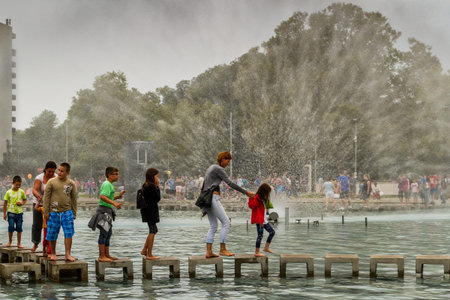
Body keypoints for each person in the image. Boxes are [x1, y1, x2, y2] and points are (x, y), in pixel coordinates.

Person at [202, 151, 255, 258]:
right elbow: (230, 183)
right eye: (227, 161)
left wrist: (204, 204)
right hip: (213, 198)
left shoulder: (211, 167)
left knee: (213, 226)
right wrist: (246, 192)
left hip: (206, 198)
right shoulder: (218, 169)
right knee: (226, 222)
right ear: (222, 159)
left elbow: (204, 185)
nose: (228, 163)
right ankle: (223, 249)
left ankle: (209, 252)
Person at [43, 162, 77, 262]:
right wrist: (46, 212)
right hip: (54, 211)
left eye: (62, 171)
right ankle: (53, 253)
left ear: (67, 172)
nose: (59, 172)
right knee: (52, 232)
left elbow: (73, 199)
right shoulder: (51, 182)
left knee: (69, 232)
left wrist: (74, 212)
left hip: (67, 211)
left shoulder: (71, 183)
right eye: (59, 170)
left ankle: (68, 254)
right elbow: (46, 198)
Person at [94, 167, 125, 262]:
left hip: (107, 210)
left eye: (118, 173)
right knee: (104, 232)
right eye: (116, 174)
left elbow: (108, 197)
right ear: (110, 175)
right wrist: (114, 203)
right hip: (104, 211)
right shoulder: (107, 184)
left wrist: (118, 196)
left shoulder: (109, 184)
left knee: (108, 232)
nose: (118, 175)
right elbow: (102, 196)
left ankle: (106, 254)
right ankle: (101, 256)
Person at [31, 161, 57, 252]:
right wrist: (38, 196)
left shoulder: (56, 177)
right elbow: (34, 189)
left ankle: (48, 246)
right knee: (37, 224)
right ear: (45, 170)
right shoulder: (39, 178)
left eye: (53, 171)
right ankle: (35, 243)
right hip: (39, 203)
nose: (51, 173)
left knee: (50, 226)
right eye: (49, 171)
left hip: (51, 205)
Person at [248, 183, 275, 257]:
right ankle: (257, 252)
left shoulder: (263, 198)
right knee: (260, 236)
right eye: (267, 193)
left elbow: (266, 206)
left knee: (272, 232)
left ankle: (266, 248)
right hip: (260, 220)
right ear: (264, 192)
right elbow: (252, 206)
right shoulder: (257, 198)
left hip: (264, 220)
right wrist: (251, 198)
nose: (268, 194)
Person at [140, 168, 161, 259]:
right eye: (157, 176)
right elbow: (157, 198)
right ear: (152, 176)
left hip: (147, 210)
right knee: (152, 231)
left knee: (154, 230)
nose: (157, 178)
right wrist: (157, 186)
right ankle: (149, 254)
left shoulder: (145, 185)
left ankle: (145, 249)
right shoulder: (151, 186)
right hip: (150, 211)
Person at [3, 175, 27, 248]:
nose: (18, 186)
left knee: (19, 227)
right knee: (11, 226)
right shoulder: (8, 192)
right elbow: (5, 203)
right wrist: (4, 214)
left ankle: (19, 243)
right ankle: (10, 241)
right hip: (11, 213)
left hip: (19, 213)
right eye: (17, 184)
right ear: (13, 183)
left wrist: (22, 203)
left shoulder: (22, 192)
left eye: (19, 185)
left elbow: (25, 199)